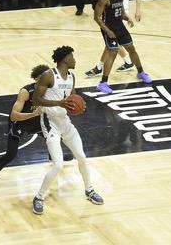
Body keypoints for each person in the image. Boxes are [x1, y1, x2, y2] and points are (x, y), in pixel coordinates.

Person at [0, 64, 74, 195]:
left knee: (56, 134)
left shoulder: (51, 89)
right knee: (10, 155)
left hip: (37, 121)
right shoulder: (26, 92)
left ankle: (53, 155)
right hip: (21, 122)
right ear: (36, 79)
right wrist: (33, 114)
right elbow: (13, 115)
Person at [32, 46, 104, 215]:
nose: (74, 60)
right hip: (50, 123)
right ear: (64, 59)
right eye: (72, 57)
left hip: (65, 121)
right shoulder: (48, 75)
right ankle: (39, 197)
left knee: (82, 157)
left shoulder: (71, 76)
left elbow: (71, 97)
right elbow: (36, 99)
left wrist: (78, 106)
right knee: (57, 165)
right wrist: (59, 103)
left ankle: (89, 190)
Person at [93, 0, 152, 94]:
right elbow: (96, 17)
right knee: (113, 52)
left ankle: (140, 72)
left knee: (131, 48)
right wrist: (107, 31)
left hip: (120, 27)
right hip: (109, 29)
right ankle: (102, 83)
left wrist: (128, 19)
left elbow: (121, 13)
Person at [85, 0, 142, 77]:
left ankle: (101, 67)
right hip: (110, 14)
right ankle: (125, 62)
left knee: (112, 44)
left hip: (122, 13)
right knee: (111, 45)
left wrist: (138, 10)